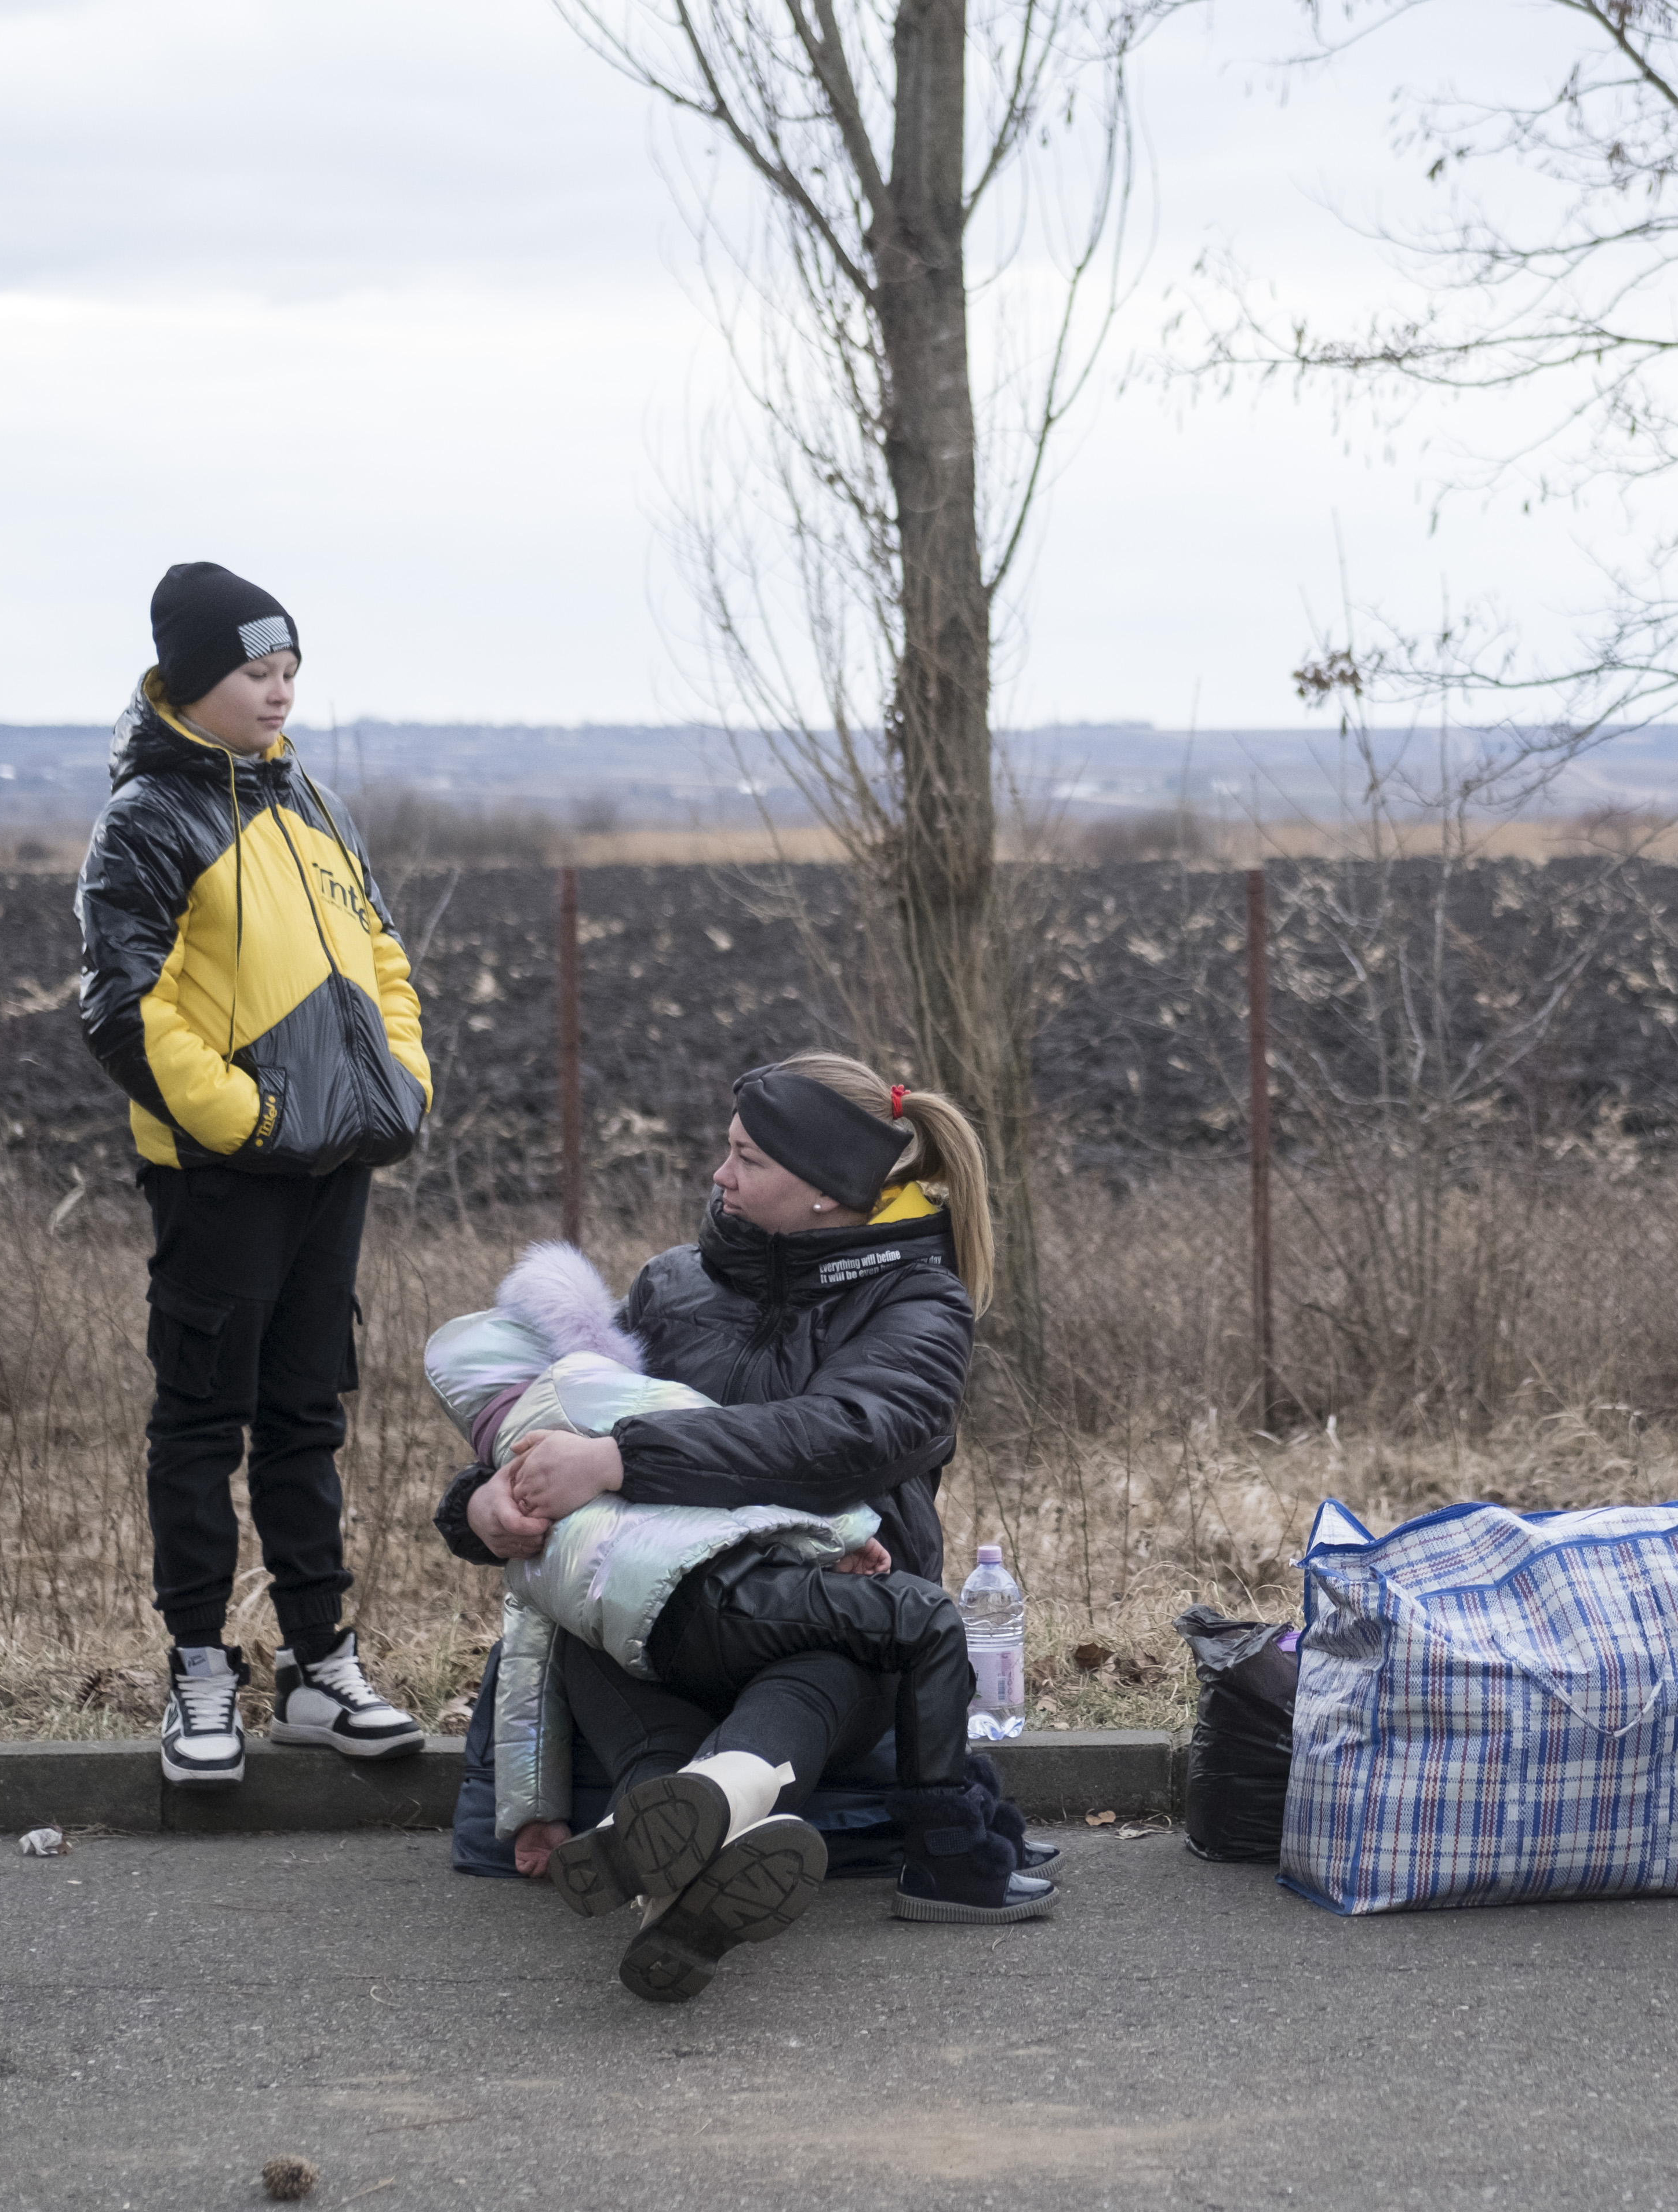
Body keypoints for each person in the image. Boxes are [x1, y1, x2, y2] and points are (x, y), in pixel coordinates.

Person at [431, 1052, 1054, 2004]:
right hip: (655, 1607)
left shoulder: (921, 1306)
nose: (718, 1177)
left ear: (826, 1194)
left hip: (822, 1605)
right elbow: (560, 1411)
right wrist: (483, 1507)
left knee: (827, 1661)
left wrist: (619, 1462)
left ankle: (700, 1811)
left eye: (747, 1159)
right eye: (726, 1151)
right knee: (594, 1616)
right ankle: (684, 1853)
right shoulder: (674, 1282)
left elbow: (841, 1438)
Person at [75, 562, 432, 1788]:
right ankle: (198, 1669)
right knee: (198, 1421)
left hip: (334, 1165)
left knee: (305, 1417)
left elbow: (381, 949)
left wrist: (403, 1080)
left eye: (289, 671)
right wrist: (247, 1117)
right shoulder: (148, 819)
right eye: (254, 672)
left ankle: (320, 1665)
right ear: (190, 680)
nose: (279, 692)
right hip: (223, 1177)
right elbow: (124, 1007)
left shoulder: (309, 800)